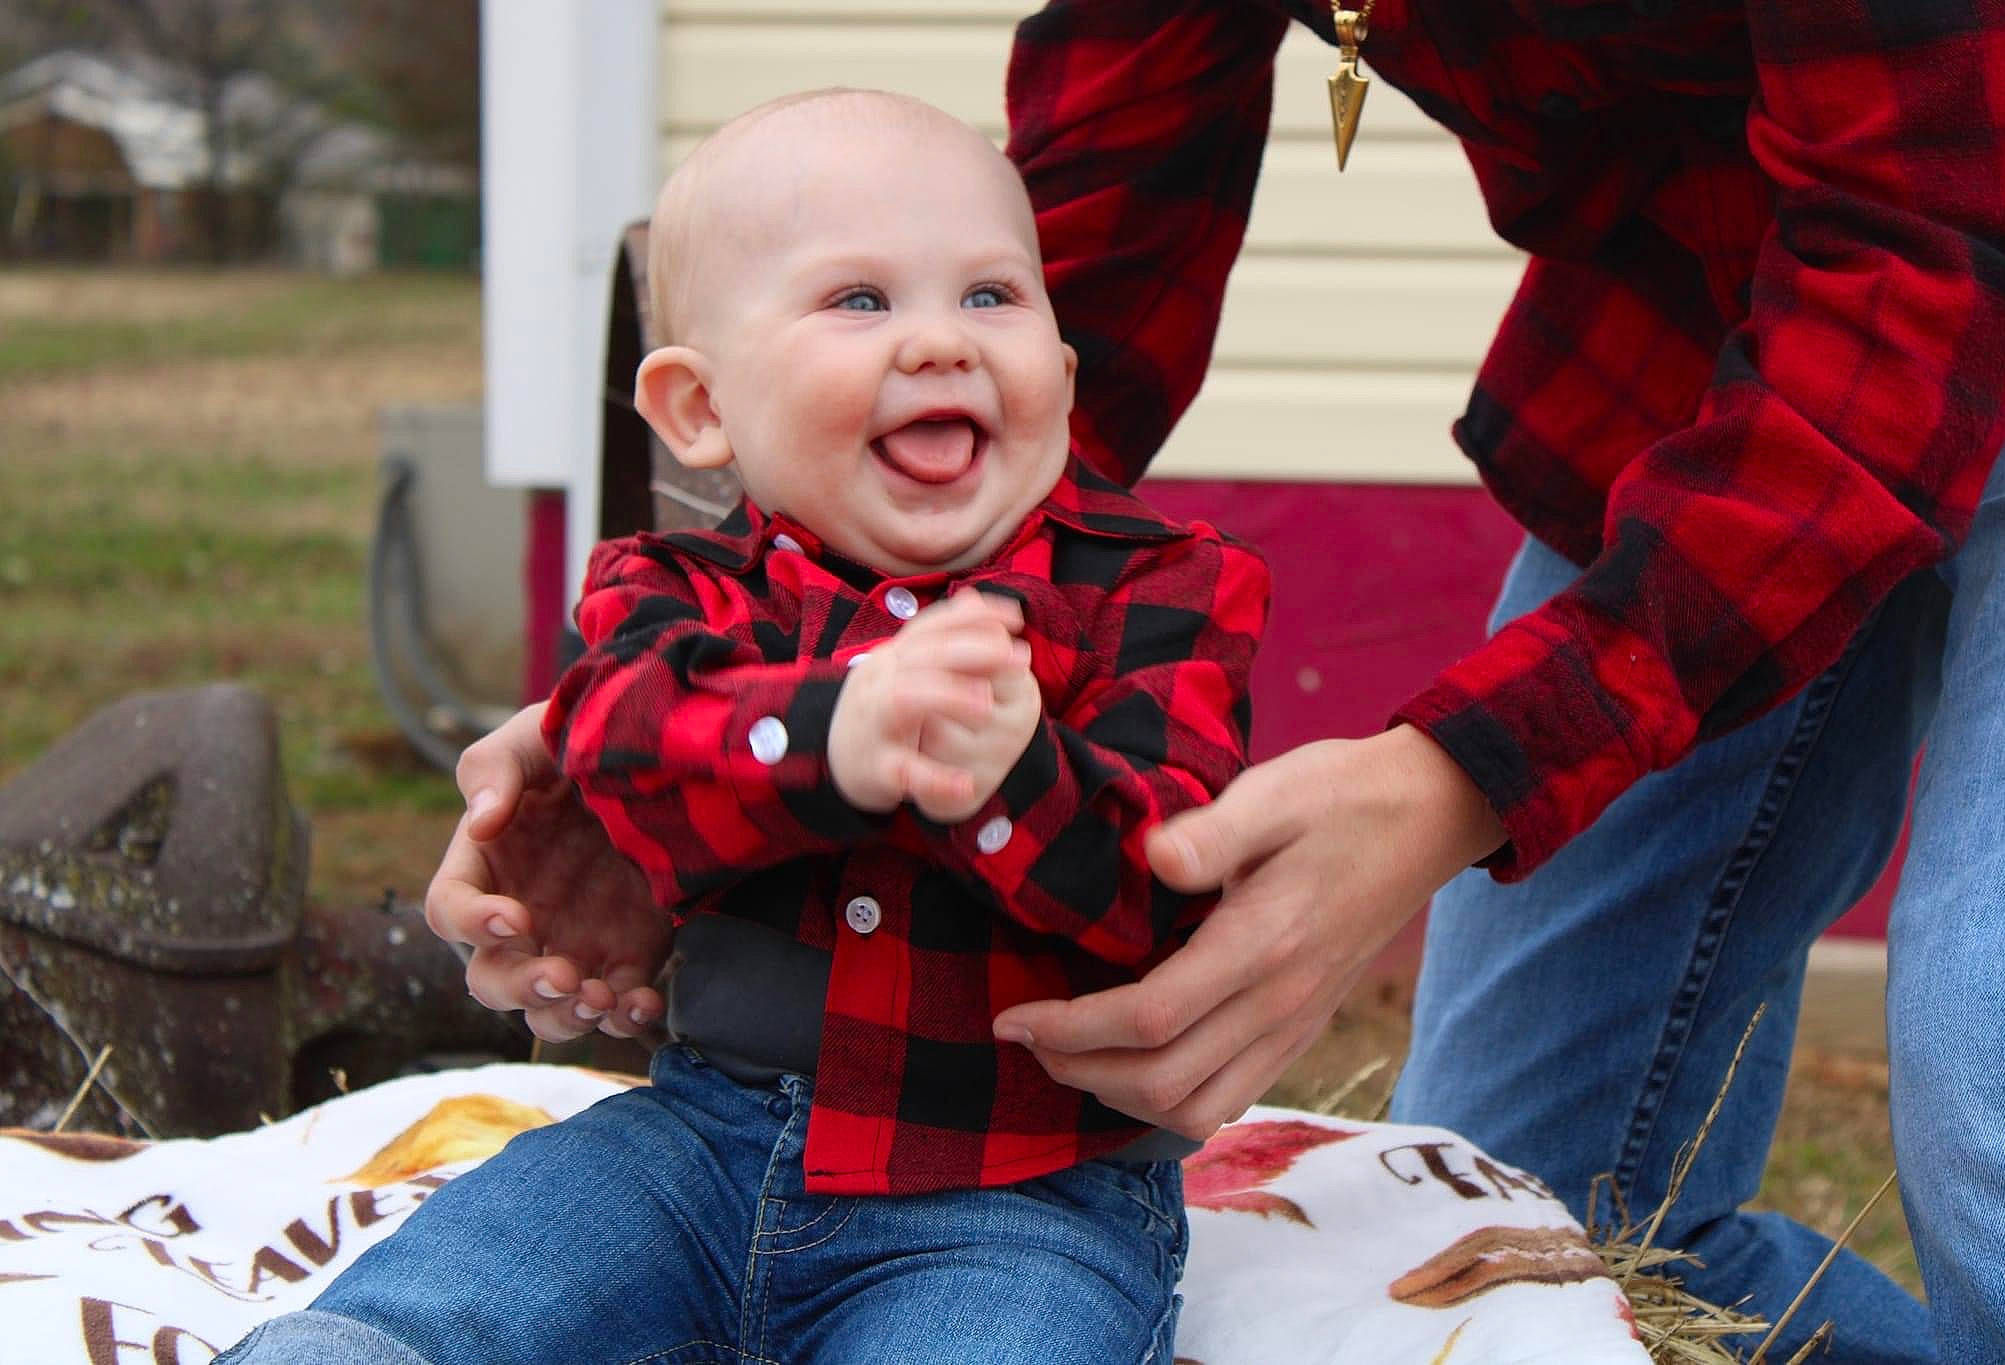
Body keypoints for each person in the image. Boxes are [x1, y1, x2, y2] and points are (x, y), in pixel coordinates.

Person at [433, 4, 2005, 1362]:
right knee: (1526, 1216)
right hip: (1719, 348)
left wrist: (1459, 773)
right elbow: (1087, 239)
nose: (942, 338)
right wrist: (720, 709)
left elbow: (1935, 236)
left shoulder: (1194, 606)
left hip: (1980, 239)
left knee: (2001, 1085)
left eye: (978, 313)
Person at [219, 88, 1267, 1365]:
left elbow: (1166, 886)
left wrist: (1007, 775)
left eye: (992, 295)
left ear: (1059, 371)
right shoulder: (671, 592)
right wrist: (837, 734)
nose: (941, 341)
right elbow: (624, 746)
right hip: (694, 1144)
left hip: (1020, 1195)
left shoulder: (1160, 589)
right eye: (859, 300)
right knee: (422, 1315)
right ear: (698, 411)